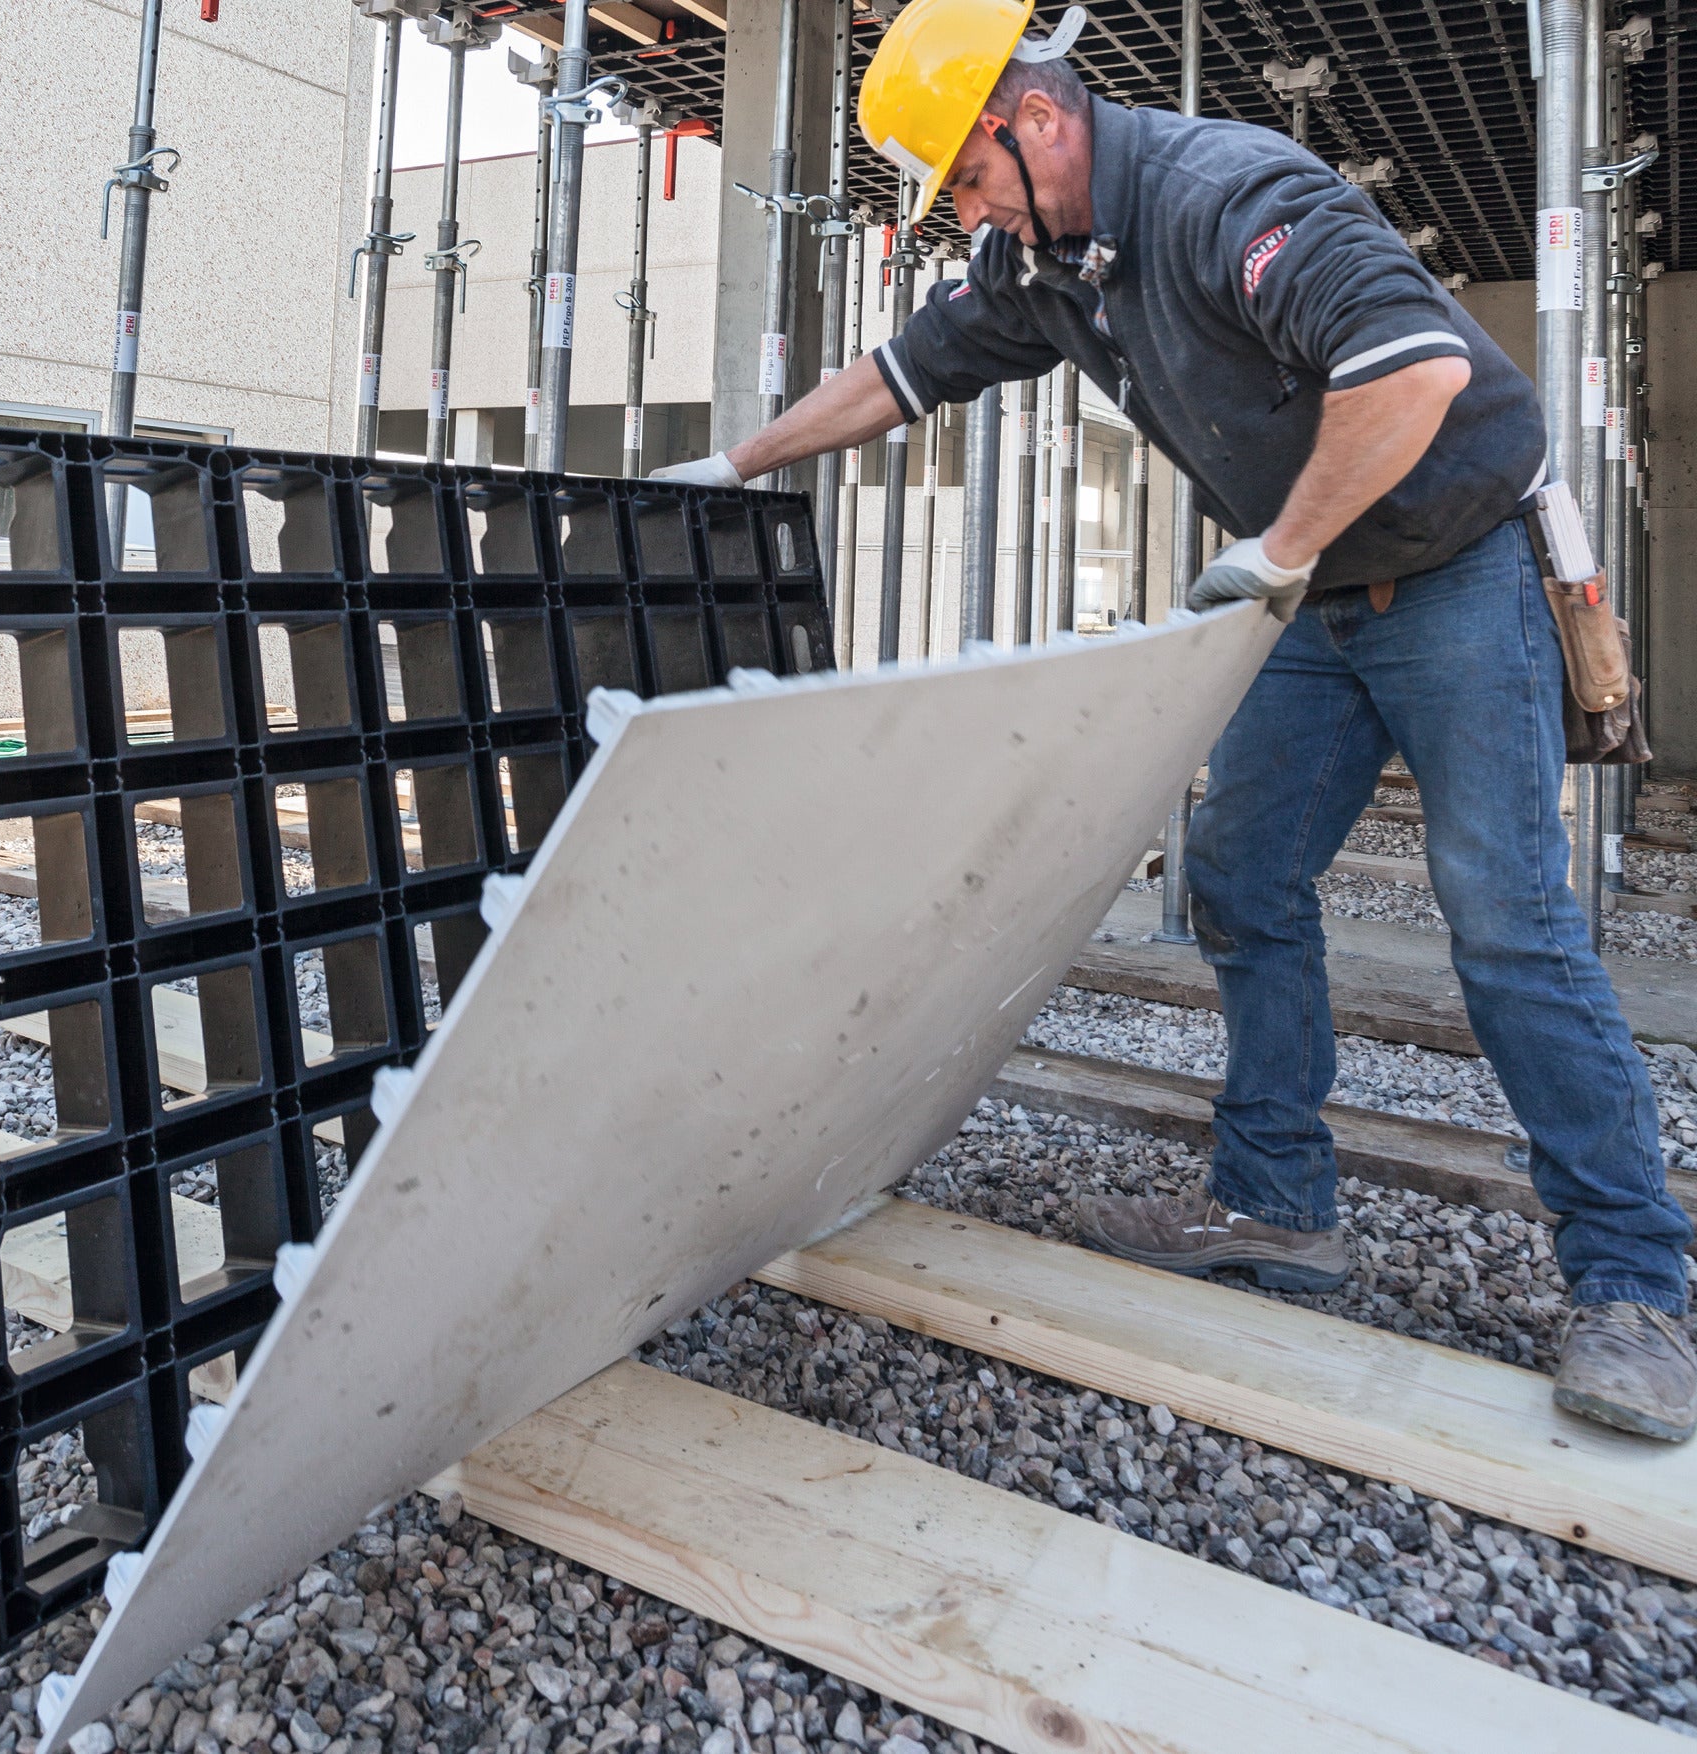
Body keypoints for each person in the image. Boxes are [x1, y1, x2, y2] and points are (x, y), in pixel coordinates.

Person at [652, 0, 1695, 1441]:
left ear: (1036, 117)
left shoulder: (1227, 195)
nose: (967, 212)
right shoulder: (1044, 263)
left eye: (965, 174)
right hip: (1320, 594)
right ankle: (1277, 1204)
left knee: (1506, 914)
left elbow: (1417, 373)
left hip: (1458, 570)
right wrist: (732, 462)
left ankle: (1634, 1287)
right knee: (1240, 874)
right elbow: (899, 377)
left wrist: (1272, 555)